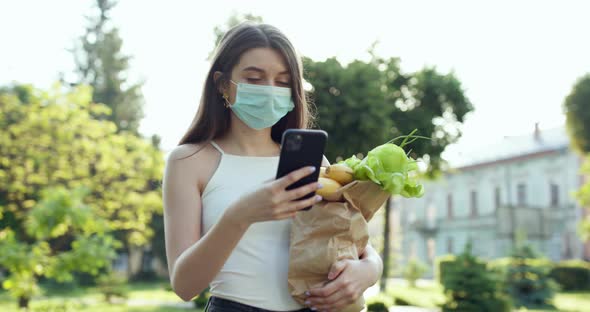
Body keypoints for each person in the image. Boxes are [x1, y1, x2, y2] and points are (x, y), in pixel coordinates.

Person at [162, 22, 383, 312]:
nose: (270, 91)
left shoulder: (314, 163)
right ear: (221, 84)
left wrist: (370, 270)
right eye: (254, 78)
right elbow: (185, 285)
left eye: (282, 82)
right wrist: (239, 216)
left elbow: (354, 243)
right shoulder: (188, 162)